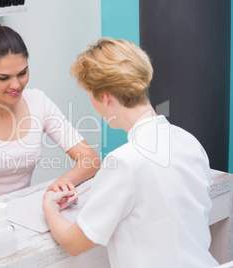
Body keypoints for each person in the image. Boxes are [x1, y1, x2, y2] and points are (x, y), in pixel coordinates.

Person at [42, 38, 219, 267]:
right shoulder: (189, 142)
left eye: (90, 95)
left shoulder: (124, 162)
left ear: (105, 96)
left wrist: (49, 205)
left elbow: (74, 244)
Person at [0, 24, 100, 197]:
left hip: (23, 213)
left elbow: (90, 159)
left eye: (22, 73)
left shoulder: (38, 102)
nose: (16, 85)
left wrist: (61, 184)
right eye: (3, 78)